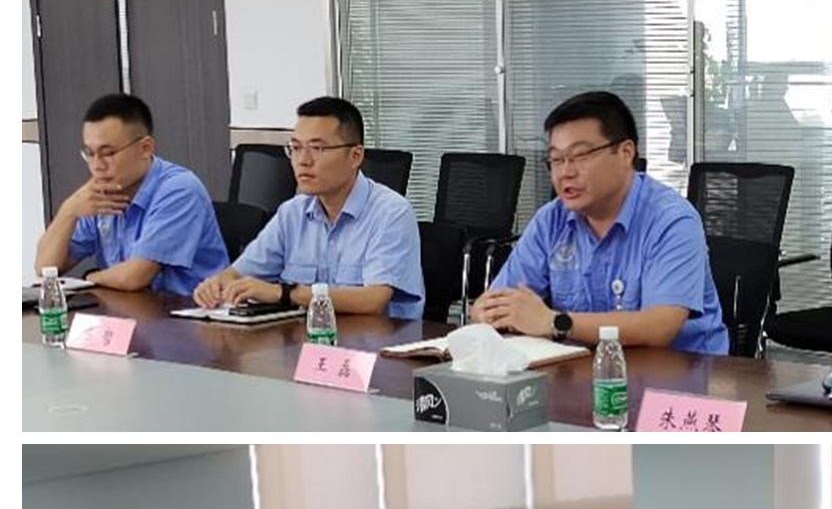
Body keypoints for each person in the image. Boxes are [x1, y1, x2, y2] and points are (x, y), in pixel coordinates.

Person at [472, 91, 729, 355]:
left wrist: (554, 322)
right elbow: (495, 304)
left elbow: (660, 327)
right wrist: (488, 312)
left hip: (681, 373)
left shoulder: (672, 220)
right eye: (556, 160)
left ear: (626, 152)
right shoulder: (550, 220)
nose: (565, 172)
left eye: (581, 155)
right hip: (583, 368)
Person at [194, 97, 424, 317]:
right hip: (303, 338)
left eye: (317, 148)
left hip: (376, 342)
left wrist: (285, 293)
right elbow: (236, 275)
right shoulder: (291, 214)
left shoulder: (391, 213)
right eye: (295, 148)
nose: (303, 160)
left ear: (355, 156)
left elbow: (373, 300)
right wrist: (216, 285)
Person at [34, 93, 229, 296]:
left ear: (145, 148)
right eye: (90, 153)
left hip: (188, 310)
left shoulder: (179, 190)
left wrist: (90, 277)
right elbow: (45, 269)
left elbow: (135, 277)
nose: (97, 165)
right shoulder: (98, 193)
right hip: (128, 308)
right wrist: (69, 210)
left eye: (108, 153)